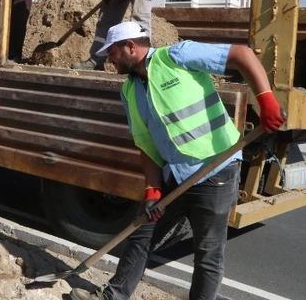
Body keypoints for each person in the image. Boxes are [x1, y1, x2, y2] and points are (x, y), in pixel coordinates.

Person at [69, 22, 285, 300]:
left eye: (112, 52)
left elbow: (241, 54)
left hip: (215, 171)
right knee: (141, 233)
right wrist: (152, 188)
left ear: (130, 47)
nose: (109, 59)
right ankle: (113, 296)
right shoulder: (130, 91)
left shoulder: (177, 56)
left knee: (207, 255)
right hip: (175, 175)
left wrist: (265, 98)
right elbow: (145, 143)